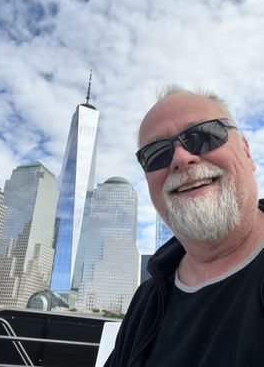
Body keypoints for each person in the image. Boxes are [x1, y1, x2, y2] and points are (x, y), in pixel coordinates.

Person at [104, 86, 264, 367]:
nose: (180, 158)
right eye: (156, 153)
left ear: (247, 152)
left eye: (203, 136)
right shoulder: (147, 298)